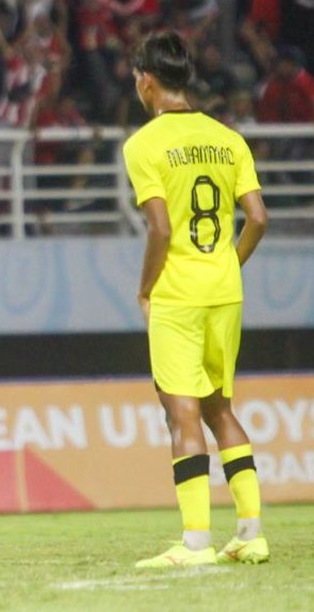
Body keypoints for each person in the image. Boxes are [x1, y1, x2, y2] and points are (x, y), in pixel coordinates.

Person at [121, 31, 270, 568]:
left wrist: (145, 288)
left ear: (147, 79)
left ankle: (196, 544)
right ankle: (251, 533)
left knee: (180, 412)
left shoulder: (143, 144)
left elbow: (158, 228)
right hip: (224, 289)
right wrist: (229, 262)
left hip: (178, 293)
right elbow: (258, 217)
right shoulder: (228, 138)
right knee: (220, 408)